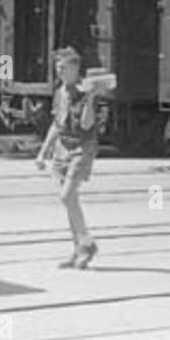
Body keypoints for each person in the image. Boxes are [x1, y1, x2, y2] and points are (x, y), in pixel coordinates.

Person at [35, 47, 105, 269]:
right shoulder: (60, 92)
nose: (60, 72)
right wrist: (43, 152)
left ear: (75, 68)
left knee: (67, 196)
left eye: (63, 68)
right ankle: (78, 251)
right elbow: (56, 125)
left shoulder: (86, 91)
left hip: (82, 148)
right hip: (62, 149)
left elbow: (86, 124)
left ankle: (86, 243)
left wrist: (90, 99)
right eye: (57, 68)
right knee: (69, 201)